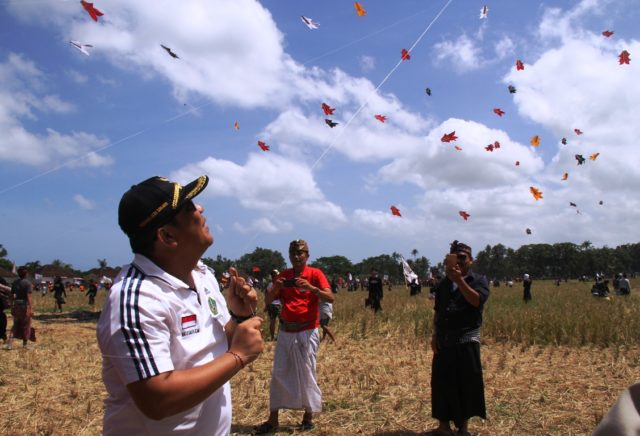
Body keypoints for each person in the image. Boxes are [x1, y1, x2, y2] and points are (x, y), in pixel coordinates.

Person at [96, 175, 264, 435]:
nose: (201, 209)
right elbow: (157, 399)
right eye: (189, 208)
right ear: (167, 236)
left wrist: (239, 318)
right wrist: (238, 357)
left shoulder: (203, 275)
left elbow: (221, 340)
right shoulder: (137, 299)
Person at [256, 239, 333, 434]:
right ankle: (273, 419)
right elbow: (267, 301)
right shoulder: (283, 276)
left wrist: (311, 288)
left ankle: (307, 417)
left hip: (307, 330)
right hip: (285, 331)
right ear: (289, 256)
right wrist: (276, 288)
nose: (297, 256)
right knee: (279, 373)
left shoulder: (315, 274)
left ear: (307, 255)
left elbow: (330, 297)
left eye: (301, 253)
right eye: (293, 253)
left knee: (307, 372)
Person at [429, 240, 489, 436]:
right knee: (441, 382)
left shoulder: (478, 280)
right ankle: (443, 426)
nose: (459, 261)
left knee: (465, 383)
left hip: (466, 340)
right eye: (455, 257)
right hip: (444, 340)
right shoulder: (443, 285)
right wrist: (435, 333)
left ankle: (463, 427)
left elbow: (476, 301)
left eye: (463, 257)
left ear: (471, 260)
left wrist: (459, 280)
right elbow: (438, 311)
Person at [7, 267, 34, 350]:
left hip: (16, 305)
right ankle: (25, 344)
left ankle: (10, 344)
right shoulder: (28, 283)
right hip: (24, 306)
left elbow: (11, 296)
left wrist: (11, 307)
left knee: (15, 325)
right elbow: (28, 296)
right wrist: (30, 308)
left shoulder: (15, 283)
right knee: (26, 325)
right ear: (26, 274)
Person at [265, 269, 282, 341]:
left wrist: (266, 305)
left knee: (272, 321)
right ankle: (278, 336)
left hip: (271, 304)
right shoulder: (279, 284)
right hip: (278, 304)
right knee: (281, 321)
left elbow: (266, 295)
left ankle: (272, 337)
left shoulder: (269, 285)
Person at [0, 277, 11, 343]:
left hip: (1, 302)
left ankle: (3, 336)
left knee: (1, 318)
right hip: (2, 304)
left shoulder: (1, 280)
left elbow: (9, 290)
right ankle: (3, 336)